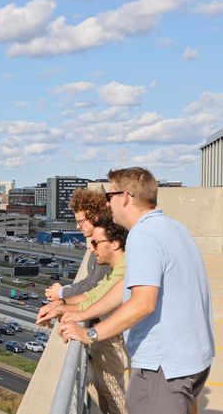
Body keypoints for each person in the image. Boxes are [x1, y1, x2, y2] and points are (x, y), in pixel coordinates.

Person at [59, 167, 214, 414]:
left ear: (126, 197)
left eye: (110, 197)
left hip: (163, 367)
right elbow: (124, 287)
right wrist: (80, 314)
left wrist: (90, 334)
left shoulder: (143, 235)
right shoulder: (174, 228)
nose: (107, 206)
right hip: (193, 361)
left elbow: (143, 303)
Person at [38, 216, 130, 414]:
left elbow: (99, 302)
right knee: (108, 395)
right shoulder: (115, 270)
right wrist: (60, 305)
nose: (91, 248)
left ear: (115, 243)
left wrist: (63, 310)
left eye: (95, 243)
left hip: (144, 357)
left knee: (118, 401)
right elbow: (93, 295)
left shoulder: (126, 271)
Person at [44, 188, 112, 304]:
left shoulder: (106, 245)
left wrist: (61, 294)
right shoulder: (97, 242)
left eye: (80, 221)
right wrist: (63, 291)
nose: (77, 227)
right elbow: (89, 280)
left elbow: (94, 286)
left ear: (95, 218)